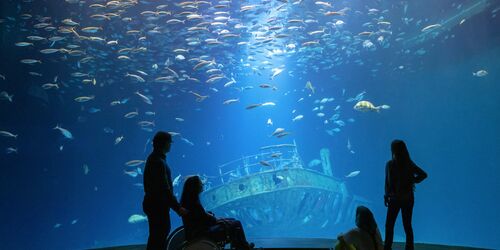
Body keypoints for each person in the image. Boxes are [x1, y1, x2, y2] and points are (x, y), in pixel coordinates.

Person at [180, 175, 254, 250]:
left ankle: (240, 246)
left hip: (195, 232)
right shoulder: (193, 202)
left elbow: (200, 216)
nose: (202, 185)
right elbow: (204, 219)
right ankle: (244, 247)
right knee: (236, 223)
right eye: (200, 183)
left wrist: (210, 216)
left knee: (232, 221)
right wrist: (214, 218)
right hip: (202, 233)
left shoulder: (187, 200)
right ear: (195, 187)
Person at [143, 131, 188, 250]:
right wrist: (178, 208)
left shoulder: (154, 159)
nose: (170, 145)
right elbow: (164, 189)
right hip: (157, 206)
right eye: (169, 142)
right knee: (159, 236)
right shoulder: (157, 162)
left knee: (157, 236)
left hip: (155, 204)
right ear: (164, 143)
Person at [384, 140, 427, 250]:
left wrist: (386, 195)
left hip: (395, 199)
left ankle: (387, 247)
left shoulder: (390, 164)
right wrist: (414, 180)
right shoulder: (408, 164)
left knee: (390, 225)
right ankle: (409, 248)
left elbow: (387, 182)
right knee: (407, 225)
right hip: (407, 198)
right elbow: (423, 175)